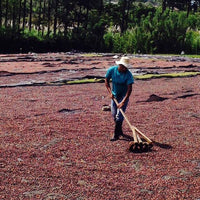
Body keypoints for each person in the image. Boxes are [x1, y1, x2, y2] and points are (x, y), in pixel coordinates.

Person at [105, 56, 134, 141]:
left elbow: (130, 89)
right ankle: (120, 130)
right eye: (123, 67)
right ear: (120, 65)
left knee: (119, 116)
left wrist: (123, 101)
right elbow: (106, 80)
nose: (125, 69)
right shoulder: (112, 70)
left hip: (123, 96)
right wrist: (110, 92)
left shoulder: (128, 74)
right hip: (114, 95)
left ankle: (116, 135)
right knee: (114, 114)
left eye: (126, 67)